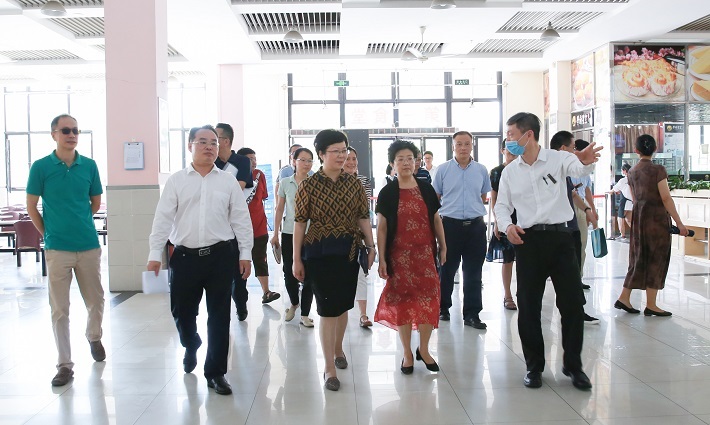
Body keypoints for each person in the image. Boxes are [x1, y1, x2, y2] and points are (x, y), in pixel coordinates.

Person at [495, 112, 601, 391]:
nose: (508, 140)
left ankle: (574, 366)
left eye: (511, 134)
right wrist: (507, 226)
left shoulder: (558, 159)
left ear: (528, 134)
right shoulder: (510, 172)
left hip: (561, 239)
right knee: (528, 306)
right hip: (528, 242)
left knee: (572, 304)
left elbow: (579, 169)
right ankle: (534, 366)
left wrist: (586, 161)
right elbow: (502, 206)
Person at [147, 125, 253, 396]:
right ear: (190, 146)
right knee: (182, 312)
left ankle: (216, 372)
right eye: (203, 142)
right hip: (185, 257)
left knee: (219, 316)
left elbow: (241, 219)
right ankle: (191, 343)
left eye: (214, 143)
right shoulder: (177, 181)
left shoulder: (228, 181)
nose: (209, 147)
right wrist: (154, 254)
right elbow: (162, 219)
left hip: (220, 256)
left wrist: (245, 254)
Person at [292, 129, 375, 392]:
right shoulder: (308, 185)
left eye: (344, 151)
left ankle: (338, 348)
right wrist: (296, 259)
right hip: (319, 253)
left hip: (348, 252)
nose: (342, 156)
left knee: (342, 307)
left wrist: (371, 246)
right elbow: (299, 223)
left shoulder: (354, 184)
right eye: (335, 151)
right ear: (321, 154)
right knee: (327, 310)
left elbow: (363, 216)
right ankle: (329, 366)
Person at [27, 114, 105, 387]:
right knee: (59, 309)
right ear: (54, 135)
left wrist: (78, 222)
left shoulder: (89, 166)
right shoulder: (41, 167)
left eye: (75, 131)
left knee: (95, 300)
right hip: (57, 249)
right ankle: (64, 364)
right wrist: (48, 233)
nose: (72, 135)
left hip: (88, 245)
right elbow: (31, 206)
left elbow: (95, 202)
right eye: (66, 130)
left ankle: (94, 336)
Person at [374, 140, 446, 374]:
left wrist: (443, 246)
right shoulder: (387, 192)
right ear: (392, 164)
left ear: (416, 162)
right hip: (399, 257)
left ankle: (423, 349)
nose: (406, 163)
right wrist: (382, 258)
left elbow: (436, 219)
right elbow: (382, 227)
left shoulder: (426, 188)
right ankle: (407, 353)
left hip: (425, 256)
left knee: (429, 300)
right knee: (403, 303)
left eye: (410, 159)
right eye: (400, 159)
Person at [615, 135, 688, 317]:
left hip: (639, 220)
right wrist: (679, 223)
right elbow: (666, 197)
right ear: (655, 149)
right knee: (657, 258)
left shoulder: (632, 172)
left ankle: (624, 297)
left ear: (636, 150)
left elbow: (634, 199)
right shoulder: (658, 170)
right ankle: (651, 304)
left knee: (638, 257)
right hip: (656, 221)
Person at [432, 131, 490, 328]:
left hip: (476, 227)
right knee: (447, 269)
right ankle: (443, 308)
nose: (463, 147)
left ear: (472, 145)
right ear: (453, 146)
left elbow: (483, 196)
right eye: (459, 144)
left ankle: (472, 314)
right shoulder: (443, 170)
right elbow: (436, 198)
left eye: (467, 143)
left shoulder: (481, 170)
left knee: (474, 272)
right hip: (450, 226)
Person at [549, 131, 600, 325]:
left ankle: (577, 311)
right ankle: (573, 312)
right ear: (563, 149)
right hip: (558, 230)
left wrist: (587, 210)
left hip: (571, 226)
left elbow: (573, 193)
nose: (574, 151)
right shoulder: (550, 170)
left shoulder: (566, 170)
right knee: (567, 272)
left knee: (574, 269)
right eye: (572, 148)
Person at [271, 147, 315, 327]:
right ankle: (294, 303)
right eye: (302, 160)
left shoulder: (315, 182)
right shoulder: (285, 182)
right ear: (294, 161)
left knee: (310, 274)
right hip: (289, 232)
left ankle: (305, 314)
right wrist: (275, 233)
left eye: (309, 160)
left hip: (311, 234)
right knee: (289, 272)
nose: (306, 164)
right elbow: (279, 209)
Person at [214, 123, 252, 320]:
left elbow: (238, 188)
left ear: (226, 141)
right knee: (220, 274)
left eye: (215, 139)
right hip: (217, 226)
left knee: (239, 273)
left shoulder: (242, 161)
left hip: (236, 224)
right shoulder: (211, 163)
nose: (210, 144)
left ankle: (241, 304)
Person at [235, 147, 281, 306]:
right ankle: (240, 299)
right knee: (240, 263)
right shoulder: (232, 176)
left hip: (259, 227)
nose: (253, 162)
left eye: (254, 158)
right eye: (249, 159)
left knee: (261, 259)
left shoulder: (259, 175)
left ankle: (266, 292)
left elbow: (263, 197)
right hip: (239, 230)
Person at [344, 147, 374, 328]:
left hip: (358, 236)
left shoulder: (363, 181)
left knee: (361, 274)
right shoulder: (333, 181)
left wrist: (370, 243)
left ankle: (363, 314)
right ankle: (341, 313)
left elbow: (365, 212)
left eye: (354, 158)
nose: (351, 162)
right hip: (339, 236)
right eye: (347, 159)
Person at [488, 140, 518, 311]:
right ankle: (507, 295)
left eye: (515, 149)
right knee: (508, 259)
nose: (512, 153)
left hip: (525, 218)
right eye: (509, 150)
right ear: (502, 151)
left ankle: (524, 292)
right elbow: (495, 197)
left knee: (527, 259)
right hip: (506, 218)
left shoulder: (524, 168)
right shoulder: (497, 172)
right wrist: (498, 222)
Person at [570, 139, 599, 280]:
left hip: (581, 206)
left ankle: (578, 277)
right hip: (567, 206)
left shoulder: (586, 172)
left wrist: (592, 209)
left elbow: (587, 191)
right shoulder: (567, 168)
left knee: (582, 243)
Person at [610, 163, 633, 240]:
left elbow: (614, 189)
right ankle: (637, 233)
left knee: (620, 218)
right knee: (628, 219)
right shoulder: (634, 179)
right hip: (632, 203)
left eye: (622, 170)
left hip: (624, 203)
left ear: (624, 171)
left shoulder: (623, 180)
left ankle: (622, 235)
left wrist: (610, 191)